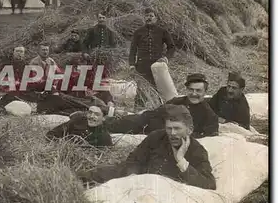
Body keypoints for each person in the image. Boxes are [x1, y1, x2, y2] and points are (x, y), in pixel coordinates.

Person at [80, 104, 217, 190]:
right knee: (96, 173)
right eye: (169, 128)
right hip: (139, 178)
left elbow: (209, 184)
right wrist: (132, 174)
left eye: (177, 129)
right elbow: (134, 158)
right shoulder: (157, 136)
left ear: (190, 129)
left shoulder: (196, 150)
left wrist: (181, 161)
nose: (172, 133)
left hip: (161, 191)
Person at [129, 7, 175, 106]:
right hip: (142, 66)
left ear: (156, 18)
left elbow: (172, 47)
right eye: (146, 16)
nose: (148, 18)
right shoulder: (138, 32)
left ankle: (158, 110)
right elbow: (133, 50)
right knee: (141, 91)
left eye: (151, 16)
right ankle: (139, 111)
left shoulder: (162, 31)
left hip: (157, 66)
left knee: (158, 90)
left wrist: (165, 58)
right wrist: (132, 65)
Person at [164, 73, 219, 138]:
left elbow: (210, 137)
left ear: (205, 92)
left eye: (198, 90)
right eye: (191, 90)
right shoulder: (175, 102)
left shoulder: (209, 114)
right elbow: (154, 116)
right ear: (186, 89)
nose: (194, 94)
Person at [46, 106, 113, 147]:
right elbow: (51, 134)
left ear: (104, 118)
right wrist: (60, 143)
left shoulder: (104, 137)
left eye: (96, 114)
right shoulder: (78, 121)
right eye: (90, 112)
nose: (91, 116)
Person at [83, 14, 118, 79]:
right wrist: (85, 52)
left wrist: (112, 53)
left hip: (106, 57)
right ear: (97, 19)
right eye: (100, 18)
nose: (101, 19)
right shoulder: (91, 30)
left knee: (105, 75)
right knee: (92, 75)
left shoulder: (110, 31)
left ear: (106, 19)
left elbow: (113, 44)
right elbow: (85, 43)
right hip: (94, 57)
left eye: (103, 18)